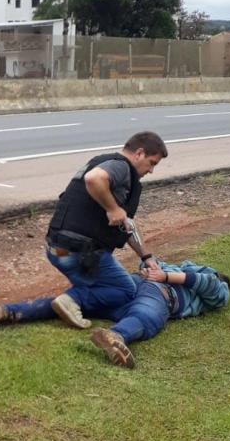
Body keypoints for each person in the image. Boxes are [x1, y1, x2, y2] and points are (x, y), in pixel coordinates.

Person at [0, 260, 230, 369]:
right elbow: (209, 285)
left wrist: (152, 268)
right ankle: (116, 336)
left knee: (76, 303)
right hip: (158, 292)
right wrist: (166, 276)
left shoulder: (175, 266)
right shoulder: (210, 280)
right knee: (148, 317)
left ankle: (6, 312)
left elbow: (145, 264)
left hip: (132, 290)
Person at [44, 131, 168, 328]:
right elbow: (94, 179)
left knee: (99, 288)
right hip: (81, 253)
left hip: (56, 248)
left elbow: (125, 225)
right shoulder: (120, 167)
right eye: (152, 163)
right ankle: (72, 299)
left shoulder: (101, 162)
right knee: (126, 290)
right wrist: (113, 209)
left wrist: (146, 257)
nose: (151, 171)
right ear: (139, 153)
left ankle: (72, 300)